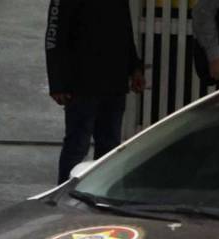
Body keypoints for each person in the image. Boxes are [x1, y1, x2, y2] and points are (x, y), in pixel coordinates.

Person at [46, 0, 146, 183]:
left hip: (113, 81)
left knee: (109, 149)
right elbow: (54, 35)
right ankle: (64, 196)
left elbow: (124, 29)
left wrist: (134, 67)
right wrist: (57, 82)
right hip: (82, 82)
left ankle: (100, 197)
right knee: (77, 146)